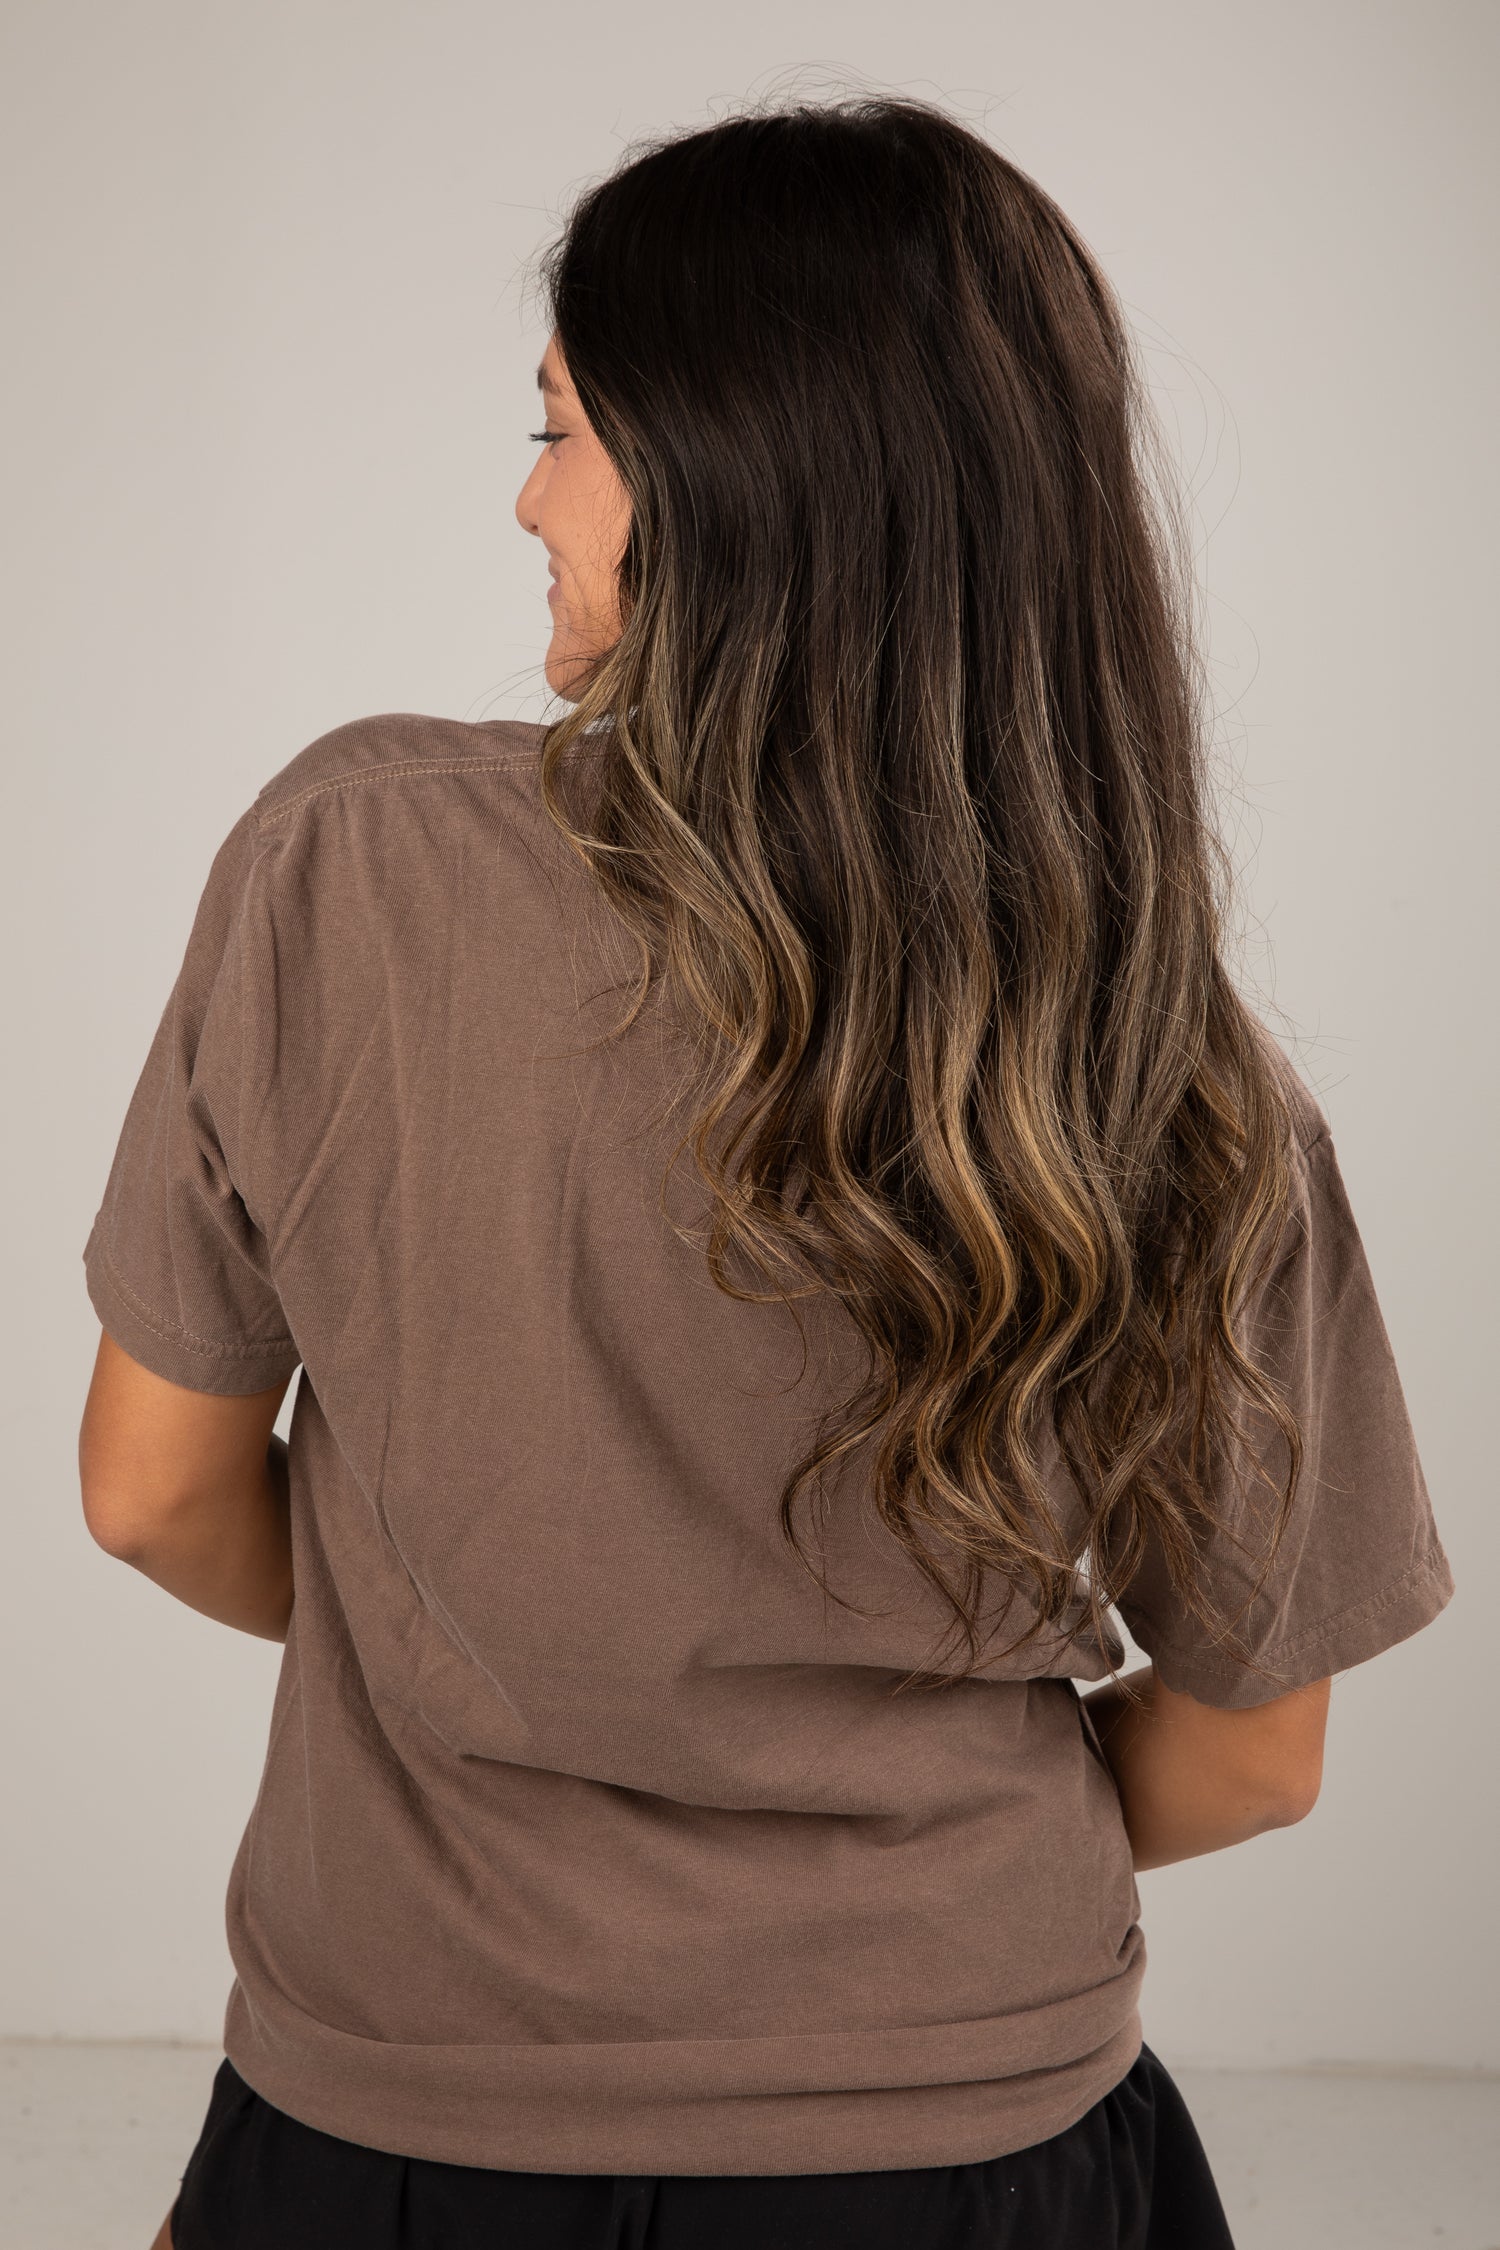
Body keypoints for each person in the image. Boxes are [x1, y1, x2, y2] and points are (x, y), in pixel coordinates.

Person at [77, 94, 1455, 2250]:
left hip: (405, 2118)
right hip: (980, 2139)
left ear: (731, 483)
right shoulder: (1177, 1065)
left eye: (563, 431)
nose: (529, 497)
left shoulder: (345, 867)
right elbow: (1255, 1755)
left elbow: (152, 1489)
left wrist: (476, 1661)